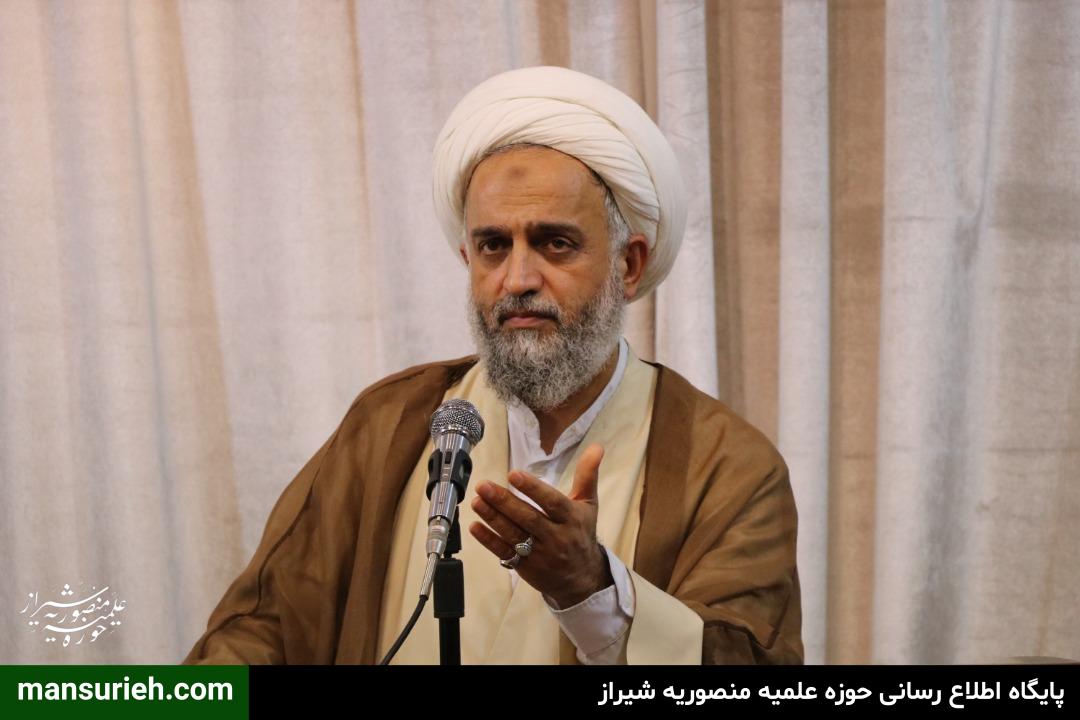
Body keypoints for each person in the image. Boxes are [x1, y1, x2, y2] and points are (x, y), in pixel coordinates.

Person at [184, 66, 802, 665]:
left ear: (629, 264)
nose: (518, 279)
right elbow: (267, 626)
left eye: (555, 243)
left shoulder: (729, 468)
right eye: (493, 246)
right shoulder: (390, 423)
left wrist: (591, 591)